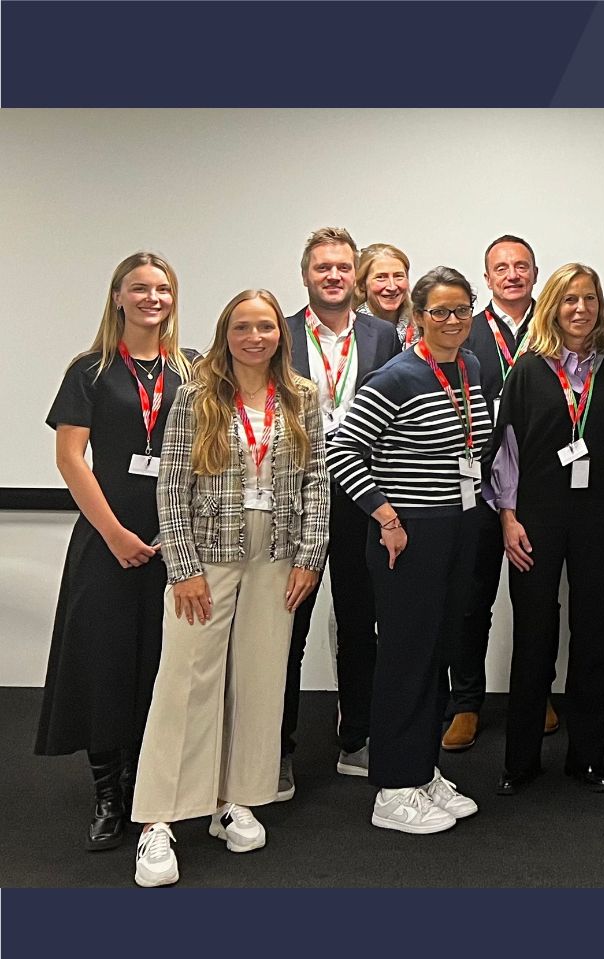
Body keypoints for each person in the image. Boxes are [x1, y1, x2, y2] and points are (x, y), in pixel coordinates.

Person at [130, 289, 329, 887]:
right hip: (208, 553)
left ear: (279, 334)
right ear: (226, 333)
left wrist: (310, 555)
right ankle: (159, 822)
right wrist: (182, 566)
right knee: (187, 680)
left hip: (278, 553)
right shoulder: (196, 396)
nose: (254, 337)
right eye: (242, 326)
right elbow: (170, 488)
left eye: (265, 326)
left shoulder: (301, 397)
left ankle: (235, 800)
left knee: (261, 679)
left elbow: (317, 477)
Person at [327, 266, 498, 835]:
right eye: (440, 312)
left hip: (457, 526)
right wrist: (387, 517)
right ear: (417, 317)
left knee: (438, 652)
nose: (453, 322)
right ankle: (392, 789)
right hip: (409, 535)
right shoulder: (396, 376)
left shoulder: (469, 366)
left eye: (462, 310)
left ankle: (422, 771)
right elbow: (343, 450)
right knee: (404, 659)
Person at [41, 252, 192, 852]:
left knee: (161, 668)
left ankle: (149, 788)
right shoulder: (90, 370)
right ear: (118, 297)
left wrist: (180, 537)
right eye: (140, 288)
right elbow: (71, 459)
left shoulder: (193, 370)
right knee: (104, 667)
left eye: (163, 288)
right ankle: (109, 795)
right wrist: (114, 534)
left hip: (175, 542)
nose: (152, 298)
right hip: (106, 541)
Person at [489, 263, 604, 794]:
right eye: (569, 299)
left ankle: (588, 757)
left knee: (594, 633)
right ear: (553, 305)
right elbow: (506, 450)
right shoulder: (529, 368)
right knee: (534, 634)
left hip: (601, 510)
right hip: (537, 514)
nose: (580, 309)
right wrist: (507, 517)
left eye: (590, 299)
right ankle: (521, 760)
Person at [283, 227, 403, 792]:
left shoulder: (383, 335)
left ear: (355, 275)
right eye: (322, 267)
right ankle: (275, 749)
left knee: (360, 622)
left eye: (342, 267)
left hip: (363, 494)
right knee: (288, 623)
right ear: (306, 274)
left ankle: (356, 738)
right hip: (296, 497)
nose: (333, 276)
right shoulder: (278, 334)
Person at [444, 235, 541, 753]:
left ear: (534, 272)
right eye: (501, 268)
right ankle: (465, 702)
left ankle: (535, 691)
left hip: (539, 486)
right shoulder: (467, 332)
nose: (512, 275)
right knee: (470, 599)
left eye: (521, 266)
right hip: (476, 486)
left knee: (536, 600)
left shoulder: (551, 333)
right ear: (487, 278)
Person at [354, 242, 418, 348]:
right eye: (381, 277)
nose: (392, 287)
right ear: (362, 285)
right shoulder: (352, 330)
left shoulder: (422, 326)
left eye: (398, 276)